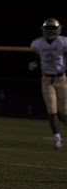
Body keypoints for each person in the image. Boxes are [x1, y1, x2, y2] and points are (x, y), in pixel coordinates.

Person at [29, 17, 67, 150]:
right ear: (44, 29)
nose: (50, 31)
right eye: (48, 28)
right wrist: (35, 63)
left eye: (53, 28)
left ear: (58, 29)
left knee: (64, 111)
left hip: (61, 78)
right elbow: (38, 57)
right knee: (52, 110)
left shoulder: (63, 42)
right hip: (46, 80)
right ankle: (57, 139)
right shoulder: (38, 44)